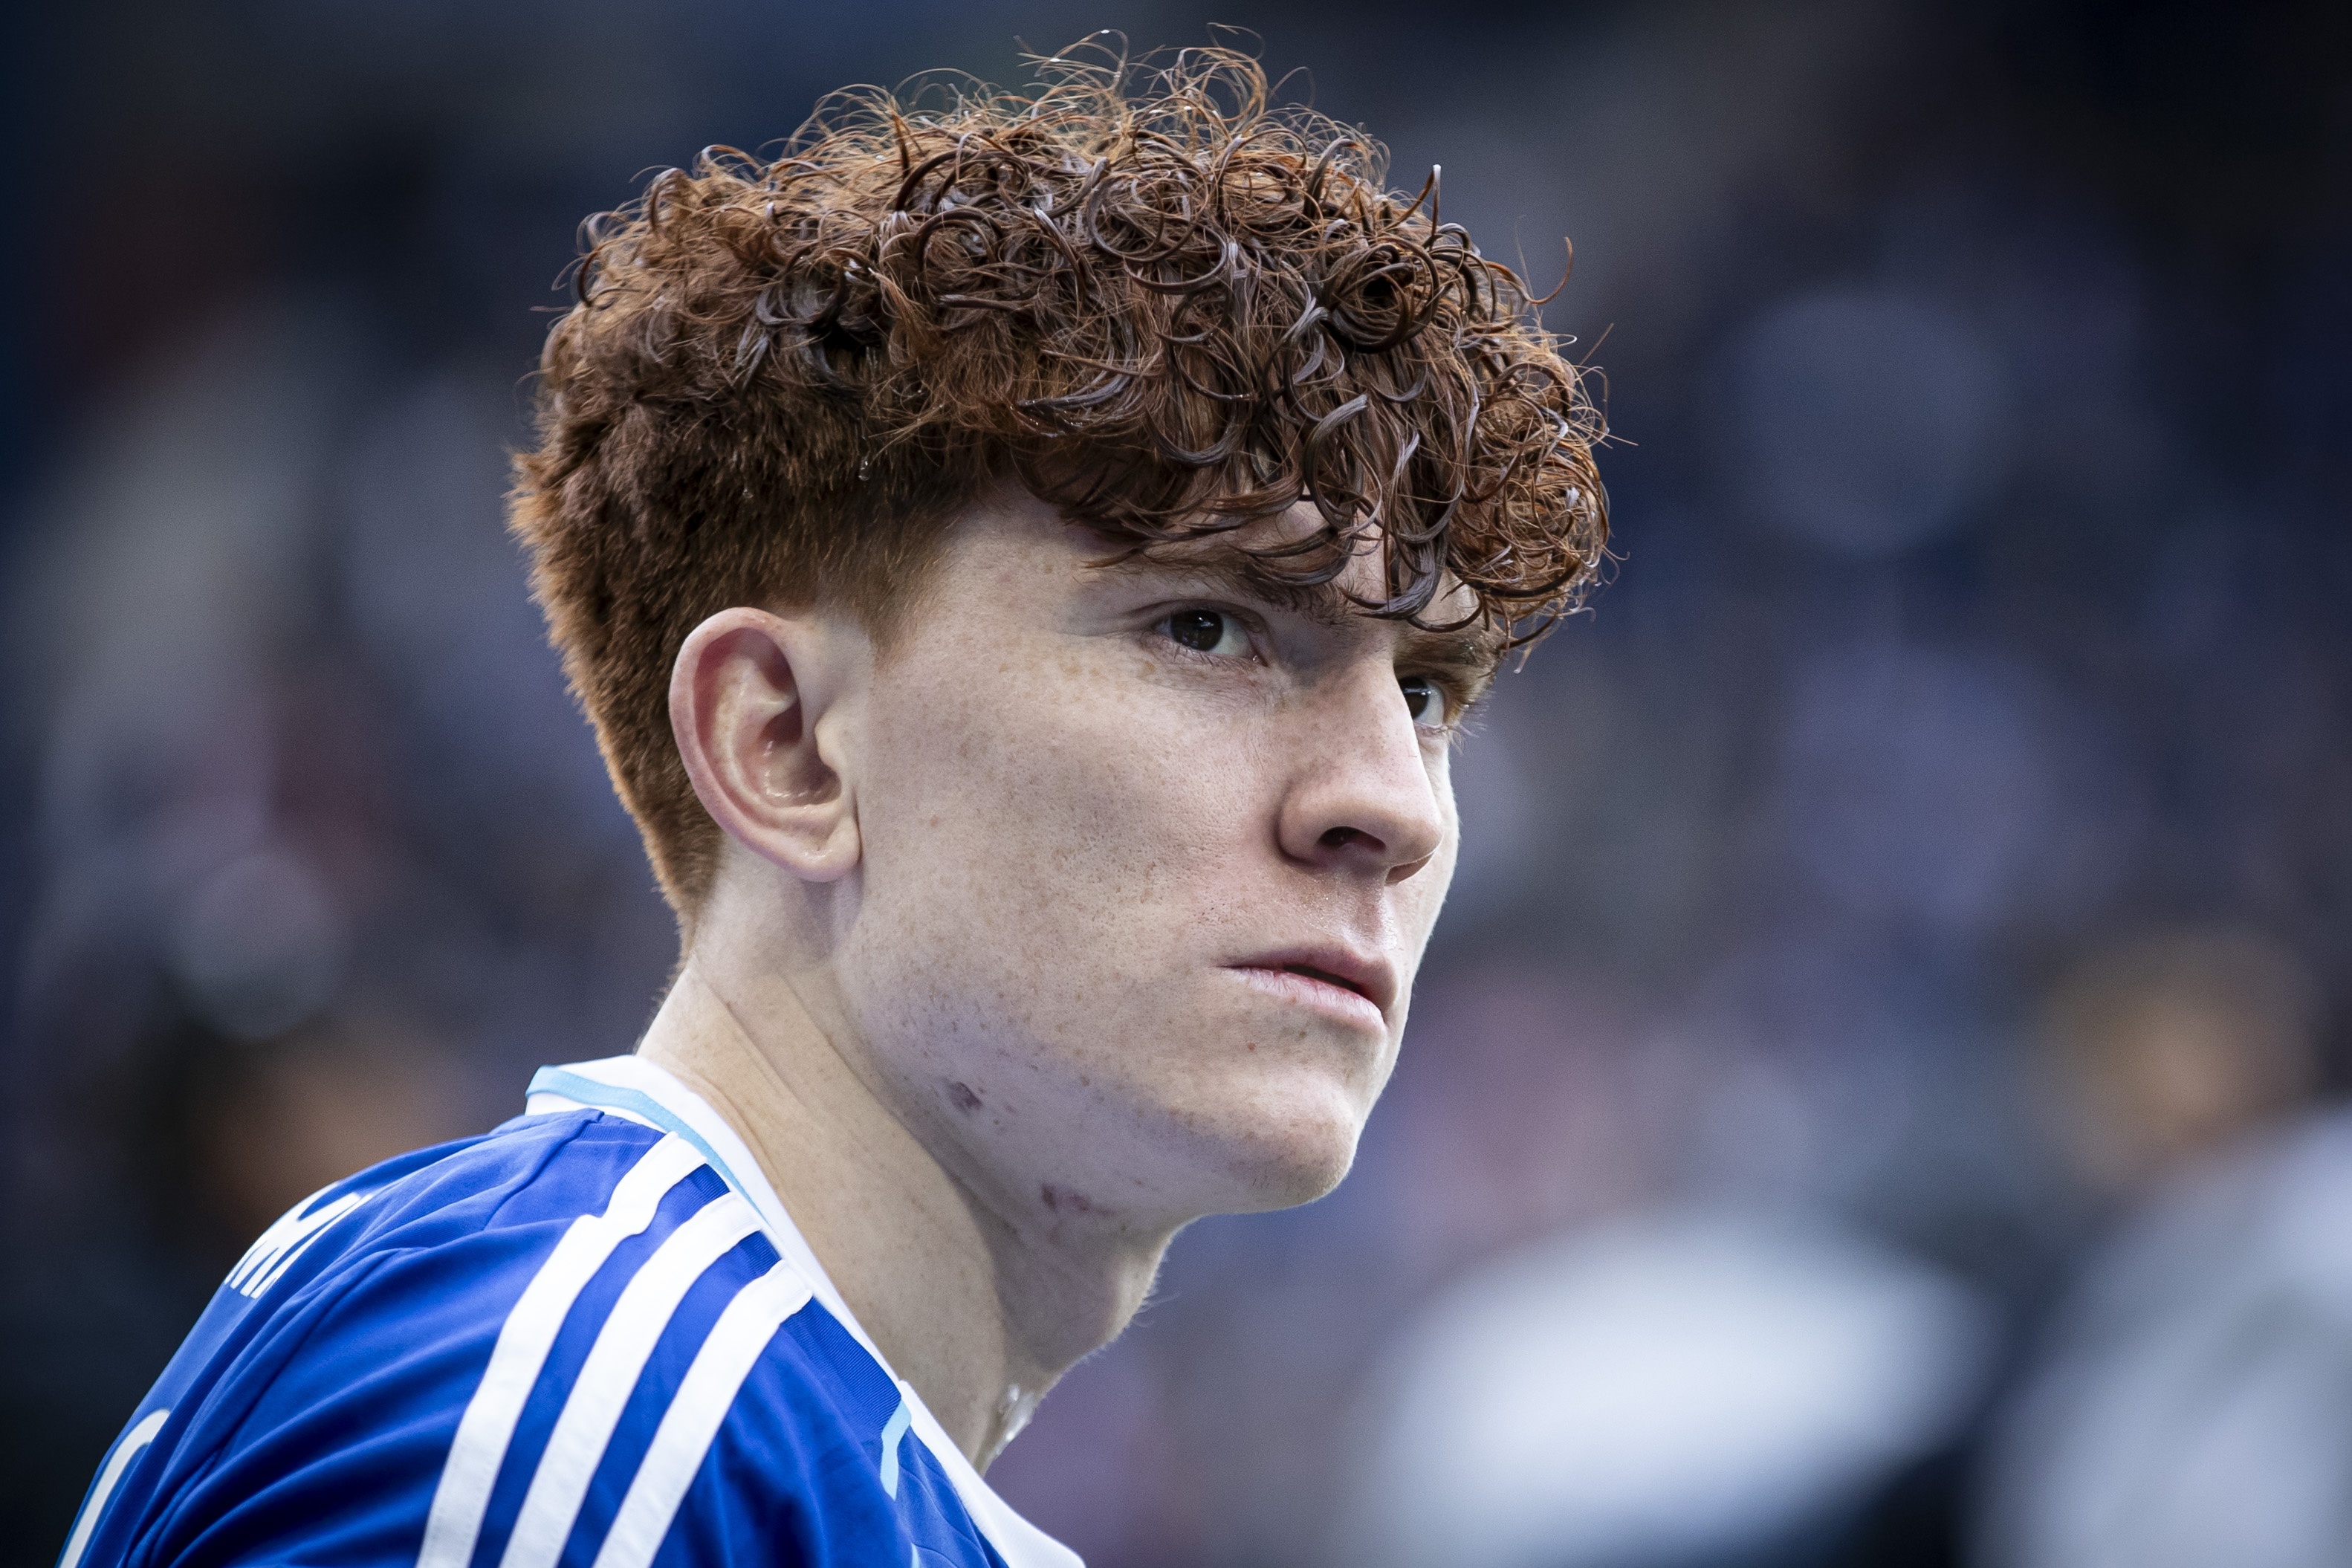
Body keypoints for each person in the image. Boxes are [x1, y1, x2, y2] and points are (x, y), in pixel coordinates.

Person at [57, 45, 1606, 1568]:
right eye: (1207, 626)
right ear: (786, 745)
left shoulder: (688, 1418)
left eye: (1427, 692)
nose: (1393, 804)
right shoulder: (591, 1420)